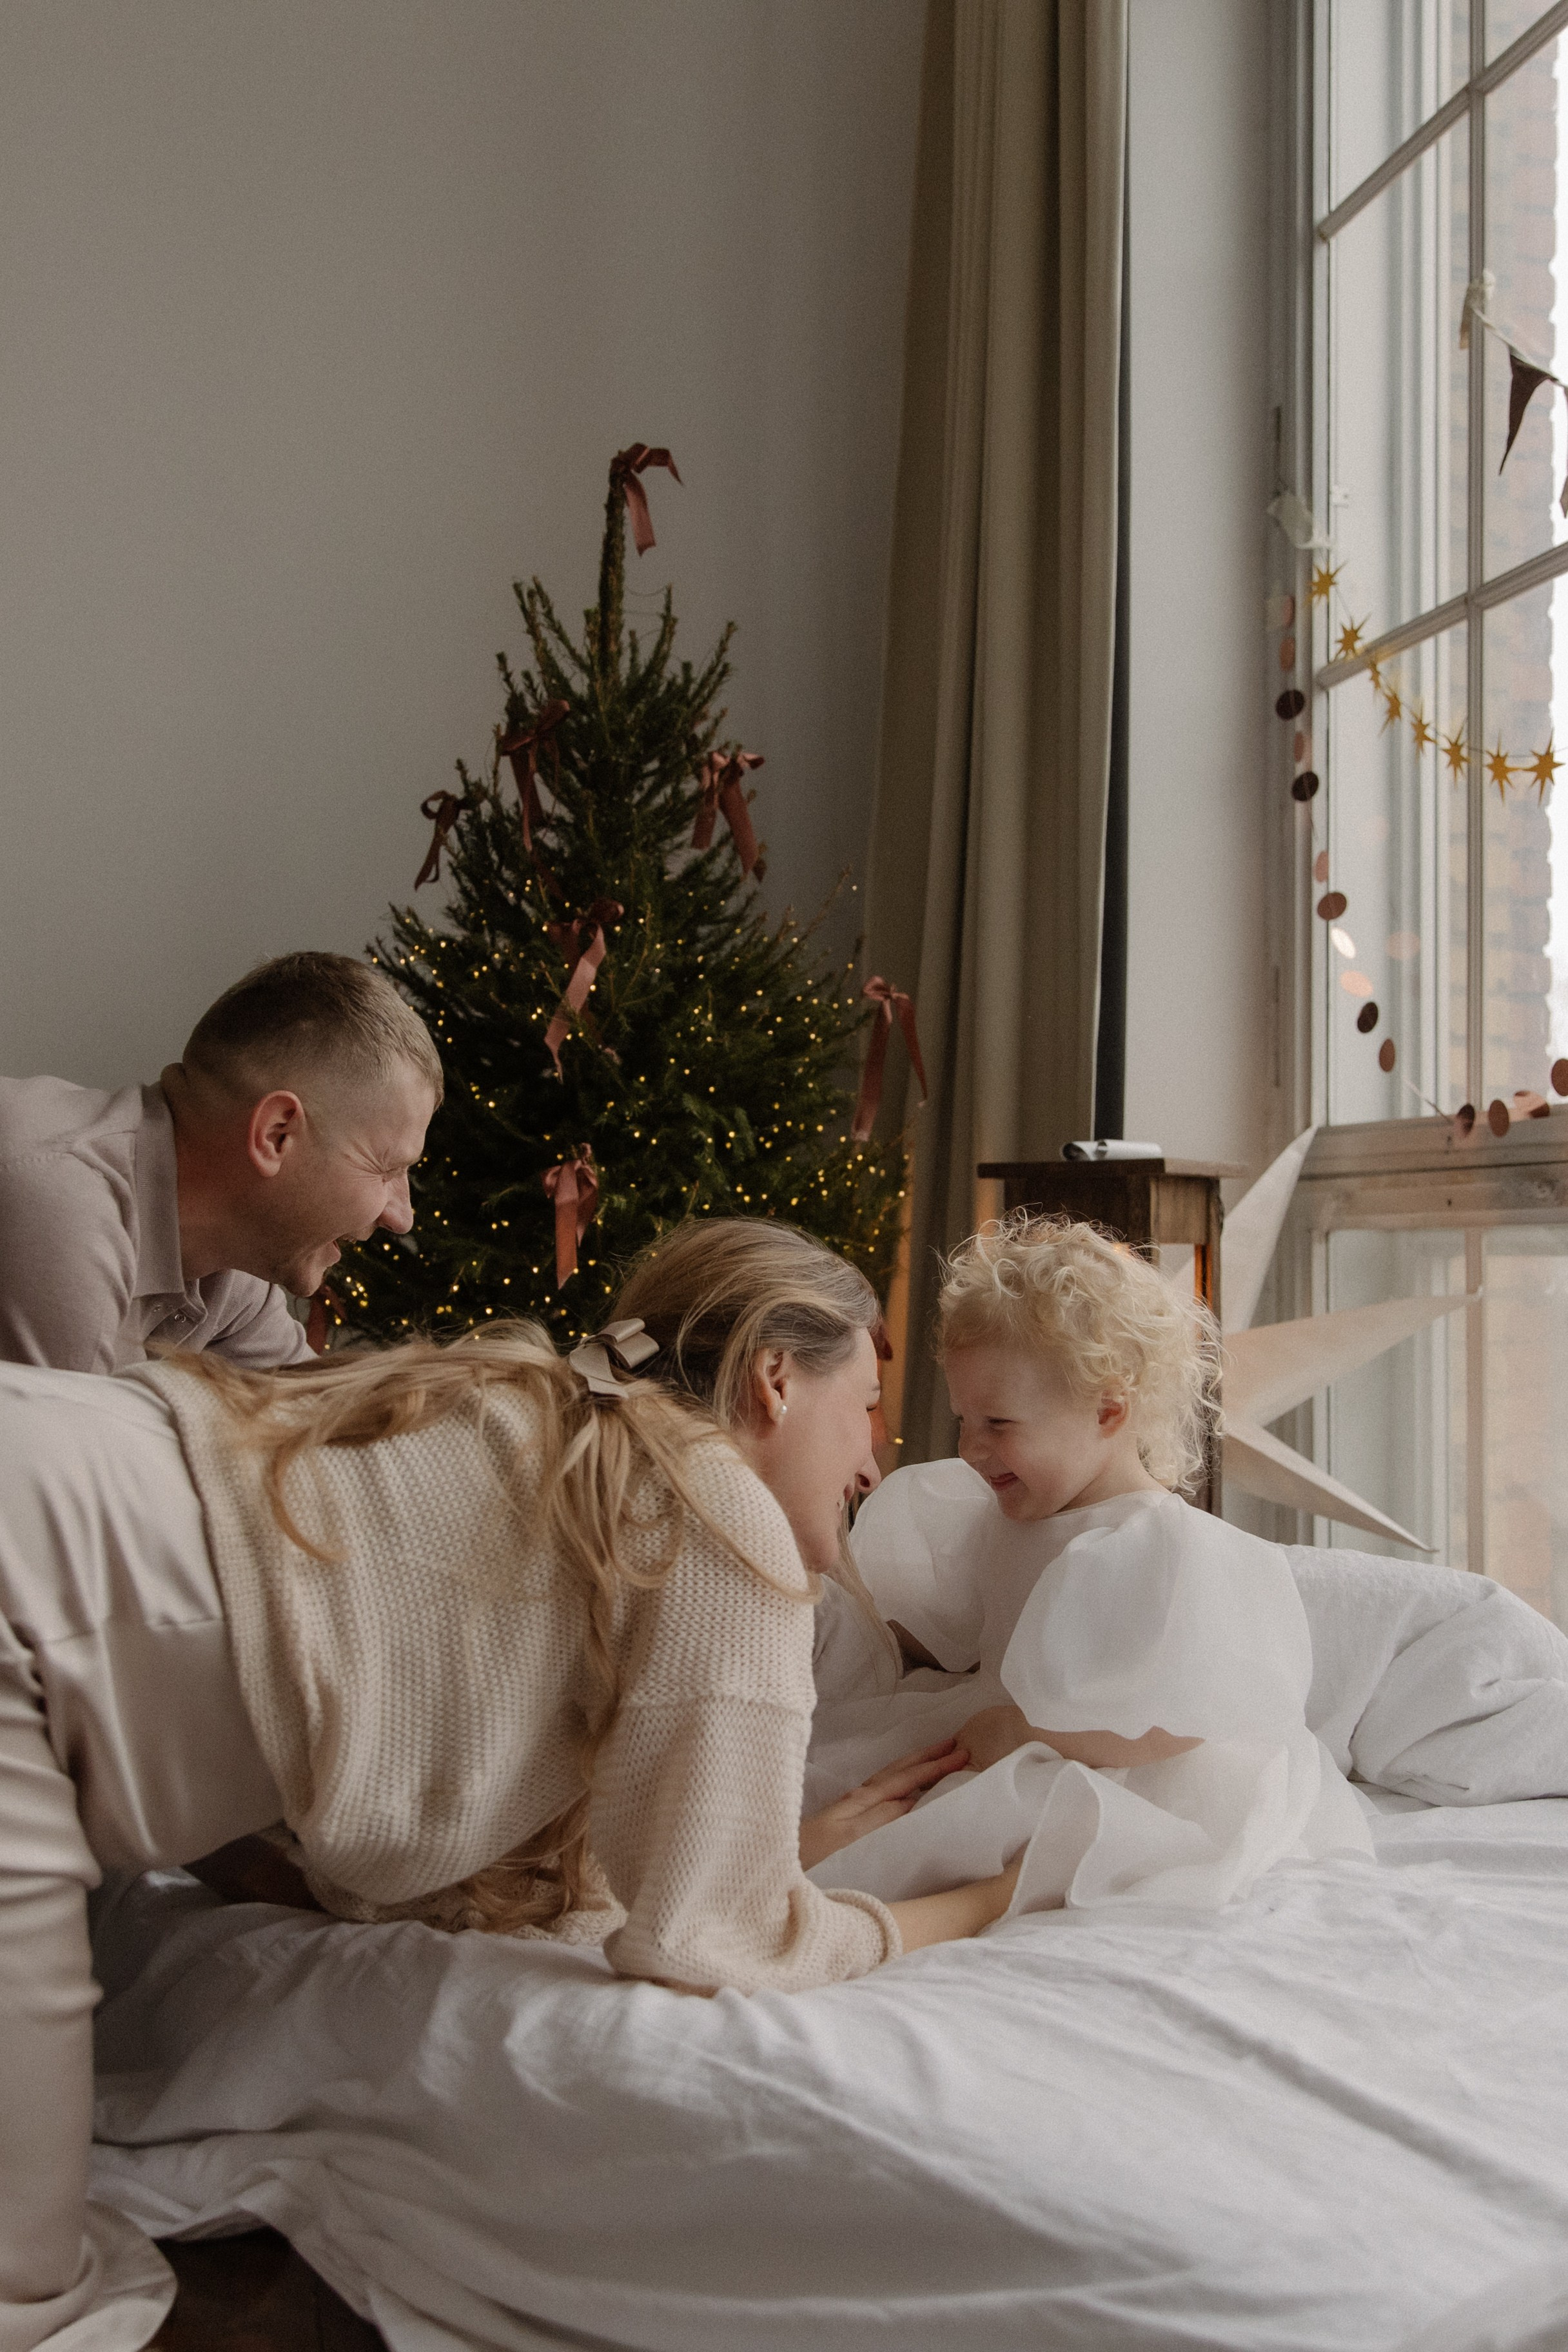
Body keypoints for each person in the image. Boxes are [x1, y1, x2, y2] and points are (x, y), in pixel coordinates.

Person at [0, 1220, 1013, 2351]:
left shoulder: (563, 1425)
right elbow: (714, 1943)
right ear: (775, 1378)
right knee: (31, 2296)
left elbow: (425, 1853)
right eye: (866, 1403)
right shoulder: (715, 1500)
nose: (877, 1454)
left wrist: (768, 1849)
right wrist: (984, 1904)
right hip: (35, 1593)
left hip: (53, 1458)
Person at [807, 1213, 1374, 1917]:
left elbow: (1182, 1724)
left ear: (1108, 1410)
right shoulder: (993, 1516)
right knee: (845, 1785)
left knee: (976, 1834)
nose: (972, 1450)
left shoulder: (1158, 1545)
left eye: (999, 1425)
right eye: (964, 1420)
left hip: (1117, 1767)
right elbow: (956, 1628)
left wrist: (1026, 1735)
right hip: (1005, 1732)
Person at [0, 951, 441, 1374]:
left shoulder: (231, 1264)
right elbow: (70, 1452)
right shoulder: (62, 1207)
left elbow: (322, 1426)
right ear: (276, 1134)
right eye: (386, 1168)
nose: (400, 1218)